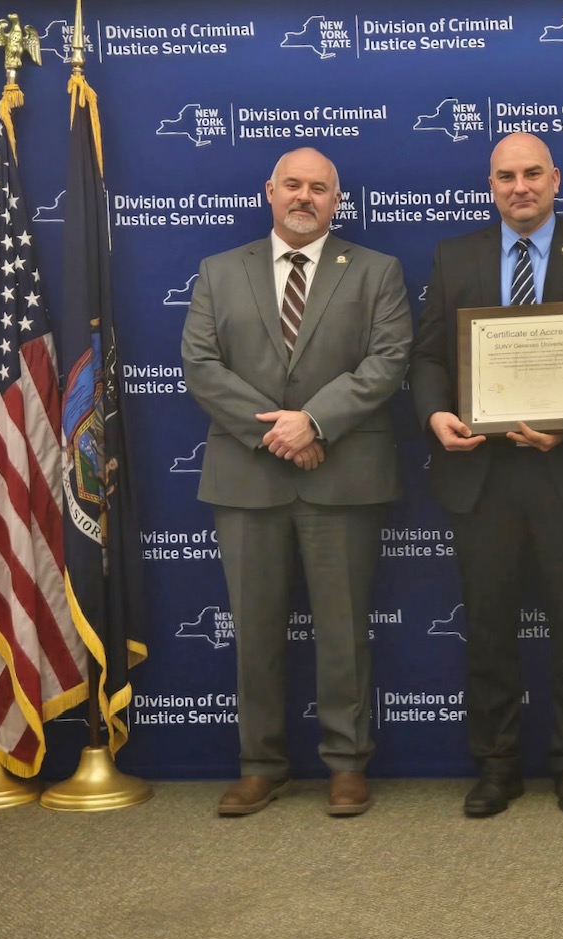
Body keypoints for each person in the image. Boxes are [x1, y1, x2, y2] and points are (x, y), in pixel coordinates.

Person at [409, 133, 563, 817]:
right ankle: (496, 765)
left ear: (556, 180)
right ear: (491, 185)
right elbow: (428, 357)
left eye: (533, 174)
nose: (520, 187)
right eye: (506, 176)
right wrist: (434, 416)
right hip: (481, 474)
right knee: (487, 630)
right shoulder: (455, 258)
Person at [182, 147, 411, 817]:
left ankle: (346, 764)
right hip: (246, 479)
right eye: (292, 186)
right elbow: (200, 365)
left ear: (336, 201)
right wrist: (278, 433)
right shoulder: (219, 272)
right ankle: (261, 764)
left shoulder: (376, 271)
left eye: (318, 188)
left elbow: (388, 360)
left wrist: (314, 422)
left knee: (343, 630)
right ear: (269, 192)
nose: (303, 196)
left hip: (343, 477)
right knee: (255, 634)